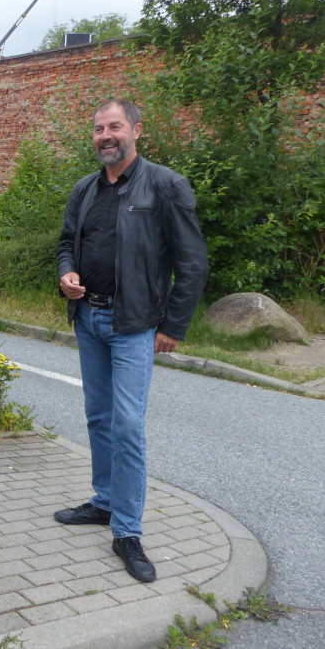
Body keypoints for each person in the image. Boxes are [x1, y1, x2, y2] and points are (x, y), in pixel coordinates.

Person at [55, 99, 208, 582]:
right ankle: (104, 501)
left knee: (127, 426)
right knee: (98, 418)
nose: (105, 135)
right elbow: (64, 244)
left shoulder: (165, 185)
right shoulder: (85, 189)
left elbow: (192, 262)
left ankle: (127, 532)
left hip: (134, 327)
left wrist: (173, 326)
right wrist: (67, 274)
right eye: (99, 128)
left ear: (136, 131)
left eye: (114, 127)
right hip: (89, 321)